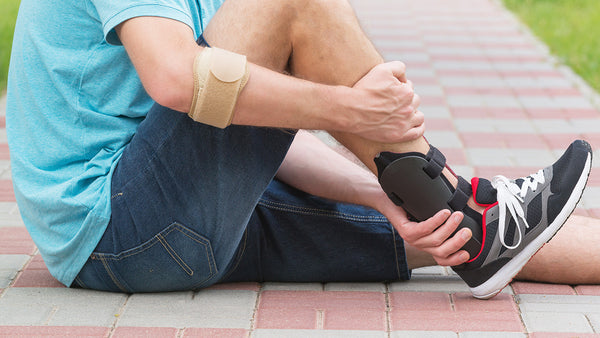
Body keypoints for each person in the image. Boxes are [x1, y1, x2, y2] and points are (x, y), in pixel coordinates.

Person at [5, 0, 595, 299]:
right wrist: (347, 110)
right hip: (121, 226)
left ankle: (467, 214)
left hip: (162, 222)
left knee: (448, 231)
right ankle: (460, 201)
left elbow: (238, 124)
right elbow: (177, 81)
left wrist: (381, 192)